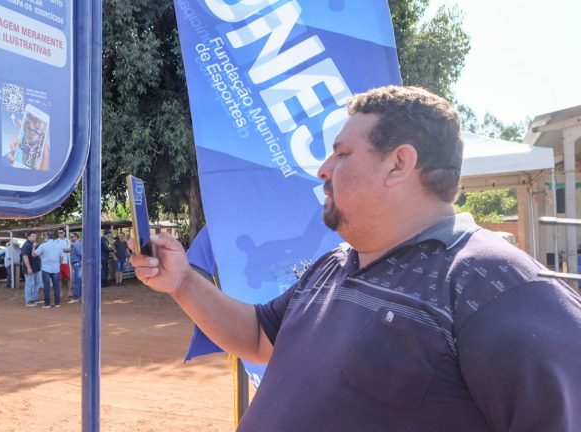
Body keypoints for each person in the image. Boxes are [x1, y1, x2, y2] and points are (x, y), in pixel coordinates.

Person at [129, 86, 581, 431]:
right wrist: (183, 282)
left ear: (399, 163)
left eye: (342, 153)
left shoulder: (500, 288)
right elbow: (257, 336)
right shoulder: (336, 263)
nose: (323, 169)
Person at [34, 231, 63, 308]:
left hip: (46, 268)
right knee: (56, 286)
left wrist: (33, 247)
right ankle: (57, 303)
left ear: (47, 237)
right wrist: (59, 264)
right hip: (56, 268)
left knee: (46, 286)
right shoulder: (58, 245)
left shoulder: (43, 245)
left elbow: (34, 254)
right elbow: (61, 257)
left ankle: (47, 303)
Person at [21, 232, 41, 306]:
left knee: (36, 283)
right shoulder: (26, 245)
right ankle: (28, 300)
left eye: (35, 236)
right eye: (33, 236)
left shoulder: (33, 245)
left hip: (36, 268)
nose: (35, 237)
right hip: (29, 268)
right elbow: (25, 257)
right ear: (28, 237)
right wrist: (29, 268)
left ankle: (34, 298)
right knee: (29, 284)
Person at [56, 228, 72, 296]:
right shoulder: (56, 241)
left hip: (66, 262)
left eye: (61, 232)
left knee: (68, 278)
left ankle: (69, 292)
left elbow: (69, 250)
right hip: (58, 262)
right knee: (60, 278)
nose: (60, 234)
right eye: (59, 233)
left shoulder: (67, 240)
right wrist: (64, 250)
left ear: (64, 233)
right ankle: (61, 292)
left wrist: (61, 250)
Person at [68, 232, 82, 303]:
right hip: (77, 264)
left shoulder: (76, 244)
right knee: (78, 281)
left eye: (72, 237)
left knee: (77, 281)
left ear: (76, 237)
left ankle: (76, 297)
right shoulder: (77, 243)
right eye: (70, 237)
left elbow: (81, 253)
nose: (71, 238)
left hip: (77, 264)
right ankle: (79, 296)